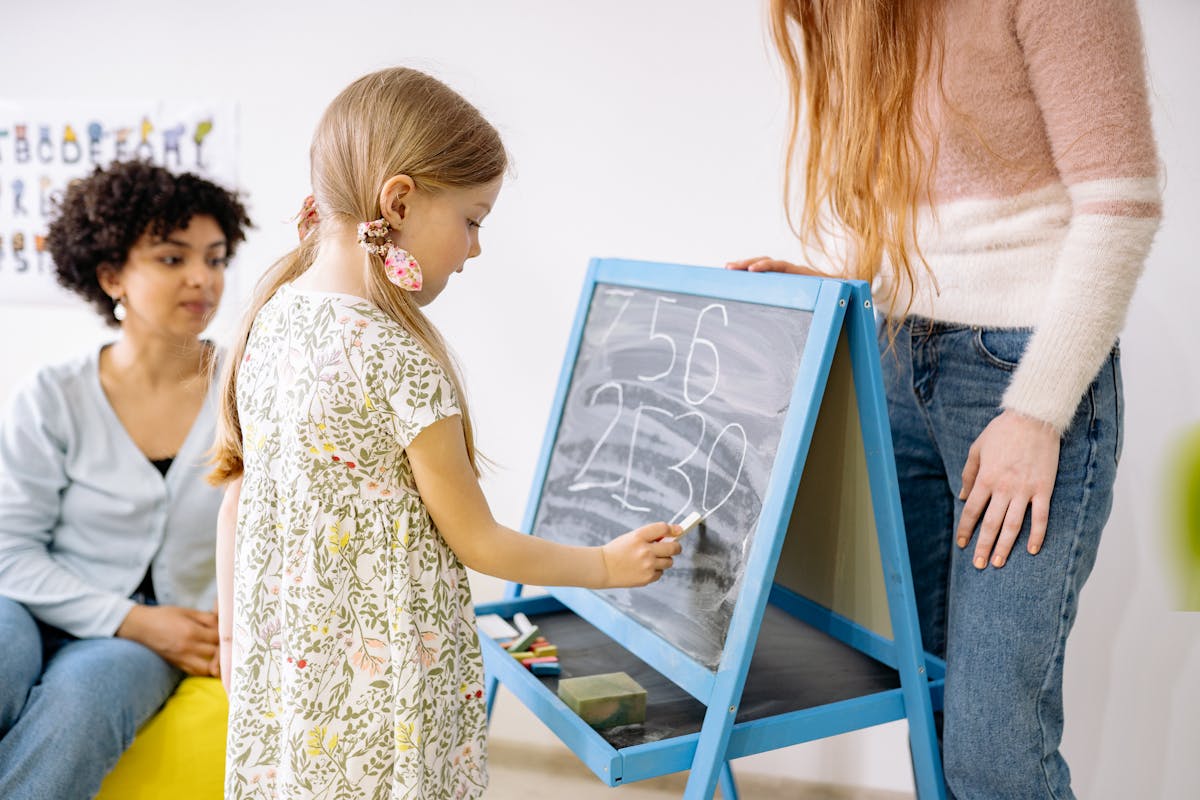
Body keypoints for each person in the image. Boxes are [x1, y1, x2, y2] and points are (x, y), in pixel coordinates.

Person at [209, 67, 682, 800]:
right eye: (472, 219)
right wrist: (606, 567)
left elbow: (237, 500)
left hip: (295, 685)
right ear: (398, 201)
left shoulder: (269, 320)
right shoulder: (396, 362)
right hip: (384, 697)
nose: (475, 249)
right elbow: (478, 541)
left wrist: (238, 647)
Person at [729, 1, 1161, 797]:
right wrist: (855, 290)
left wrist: (1035, 412)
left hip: (1024, 381)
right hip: (898, 352)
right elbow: (946, 229)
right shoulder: (877, 14)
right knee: (929, 711)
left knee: (991, 754)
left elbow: (1121, 205)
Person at [0, 160, 251, 799]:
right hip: (30, 604)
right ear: (112, 274)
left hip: (166, 626)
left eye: (216, 258)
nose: (203, 278)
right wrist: (129, 620)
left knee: (79, 704)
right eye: (173, 259)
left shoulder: (247, 393)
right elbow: (8, 551)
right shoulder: (52, 395)